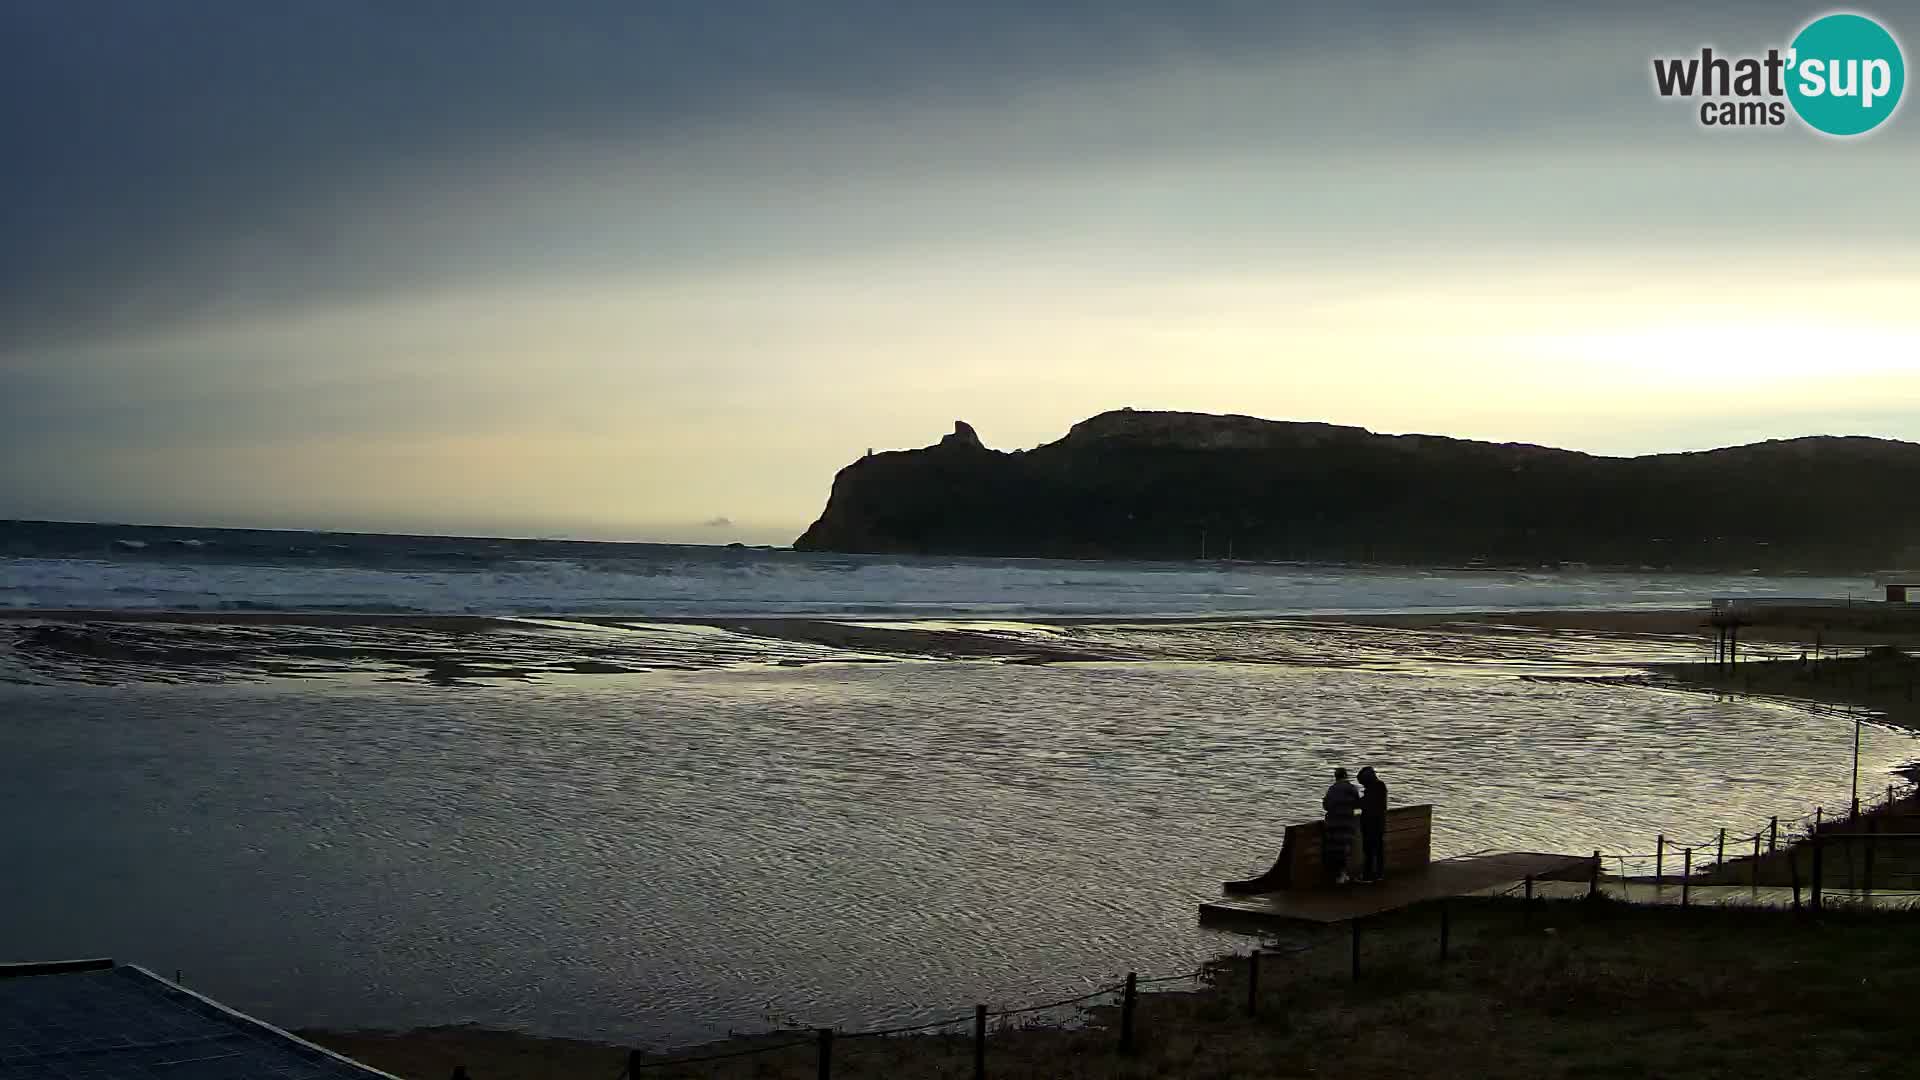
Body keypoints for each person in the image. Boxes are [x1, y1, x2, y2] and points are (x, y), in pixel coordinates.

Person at [1321, 768, 1361, 885]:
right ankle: (1344, 874)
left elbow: (1326, 806)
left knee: (1335, 849)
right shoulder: (1352, 788)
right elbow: (1357, 805)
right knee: (1345, 848)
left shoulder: (1332, 789)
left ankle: (1338, 876)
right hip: (1347, 822)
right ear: (1346, 776)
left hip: (1332, 822)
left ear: (1336, 777)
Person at [1357, 766, 1389, 882]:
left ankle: (1368, 875)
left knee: (1369, 851)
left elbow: (1363, 806)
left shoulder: (1372, 791)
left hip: (1370, 824)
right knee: (1379, 850)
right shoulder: (1381, 787)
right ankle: (1380, 874)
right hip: (1380, 823)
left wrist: (1355, 805)